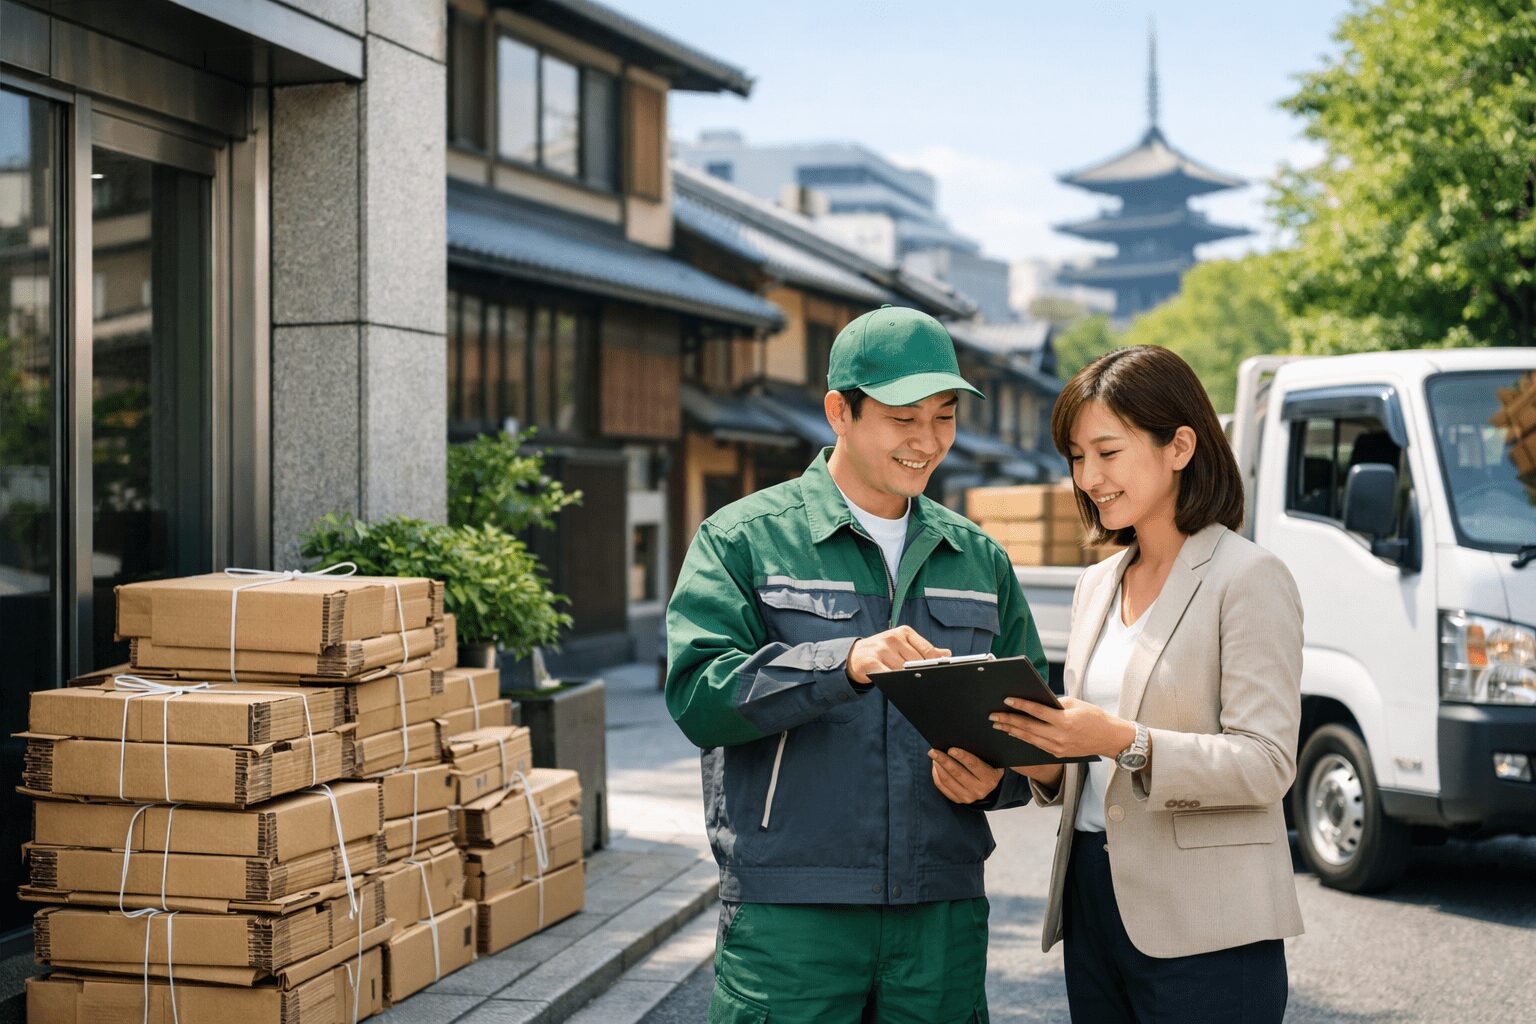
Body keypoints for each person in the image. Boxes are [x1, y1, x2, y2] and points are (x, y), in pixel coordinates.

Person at [665, 305, 1047, 1023]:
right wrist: (842, 660)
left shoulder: (979, 560)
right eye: (905, 417)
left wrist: (995, 782)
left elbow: (1034, 722)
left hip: (940, 909)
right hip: (793, 913)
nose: (928, 441)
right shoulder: (744, 540)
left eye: (944, 416)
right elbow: (697, 695)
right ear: (840, 411)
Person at [990, 345, 1303, 1023]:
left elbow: (1268, 763)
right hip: (1094, 899)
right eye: (1076, 457)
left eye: (1108, 451)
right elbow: (1085, 759)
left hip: (1209, 923)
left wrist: (1121, 740)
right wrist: (1038, 755)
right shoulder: (1096, 584)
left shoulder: (1247, 578)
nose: (1089, 476)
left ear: (1180, 446)